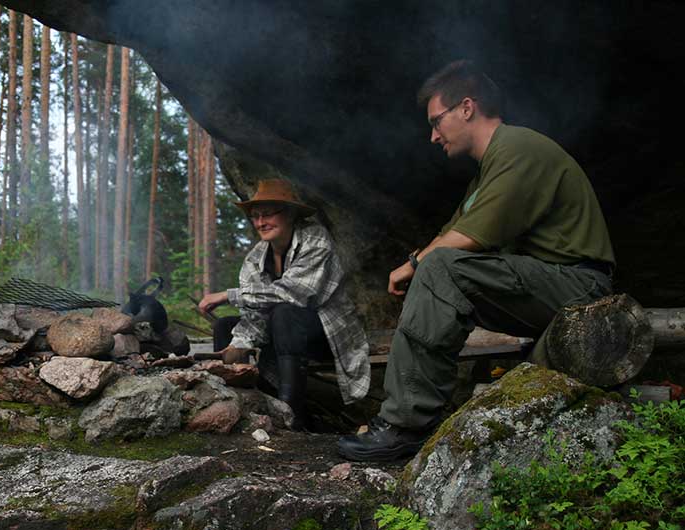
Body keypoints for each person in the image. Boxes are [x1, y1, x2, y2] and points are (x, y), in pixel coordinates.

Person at [336, 60, 615, 461]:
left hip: (580, 287)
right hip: (547, 284)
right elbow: (449, 233)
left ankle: (407, 424)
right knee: (438, 267)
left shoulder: (519, 147)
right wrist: (419, 261)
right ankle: (408, 415)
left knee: (438, 268)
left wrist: (413, 266)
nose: (432, 136)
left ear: (467, 107)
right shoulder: (484, 176)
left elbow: (466, 240)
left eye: (437, 121)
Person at [198, 178, 371, 430]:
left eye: (268, 214)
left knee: (285, 313)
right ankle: (239, 410)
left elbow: (295, 293)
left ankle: (292, 417)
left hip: (327, 335)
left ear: (290, 214)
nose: (260, 222)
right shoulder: (255, 258)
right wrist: (238, 344)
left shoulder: (315, 239)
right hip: (282, 334)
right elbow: (255, 312)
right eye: (255, 216)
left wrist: (227, 295)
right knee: (226, 327)